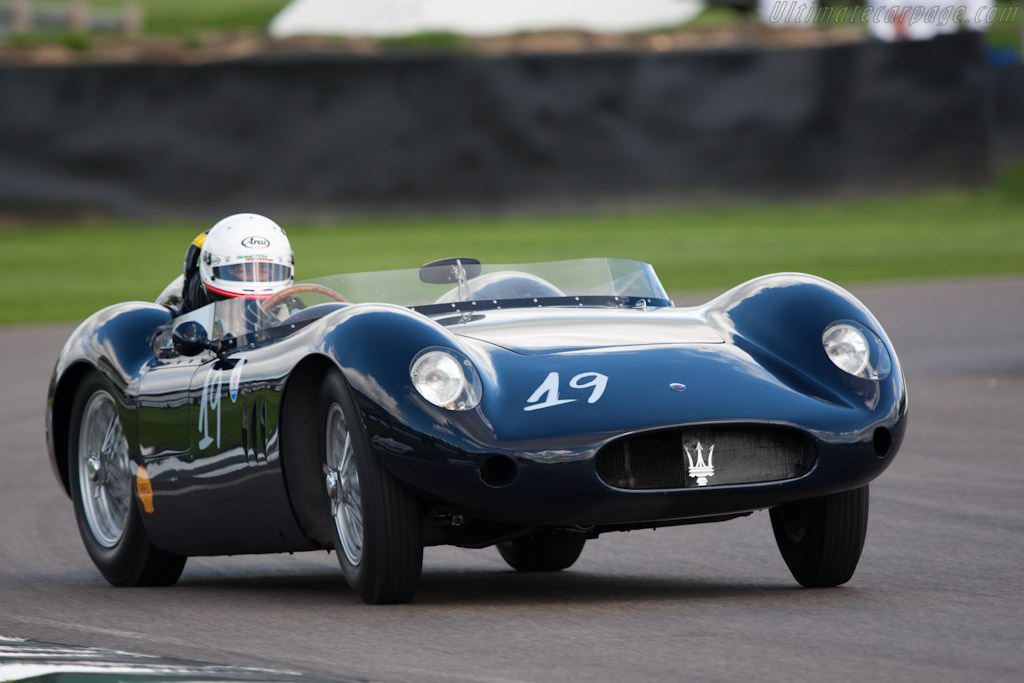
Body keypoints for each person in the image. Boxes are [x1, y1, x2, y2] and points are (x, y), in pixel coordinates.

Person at [181, 213, 295, 314]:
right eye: (241, 271)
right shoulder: (192, 306)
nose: (252, 278)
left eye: (263, 271)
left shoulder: (295, 313)